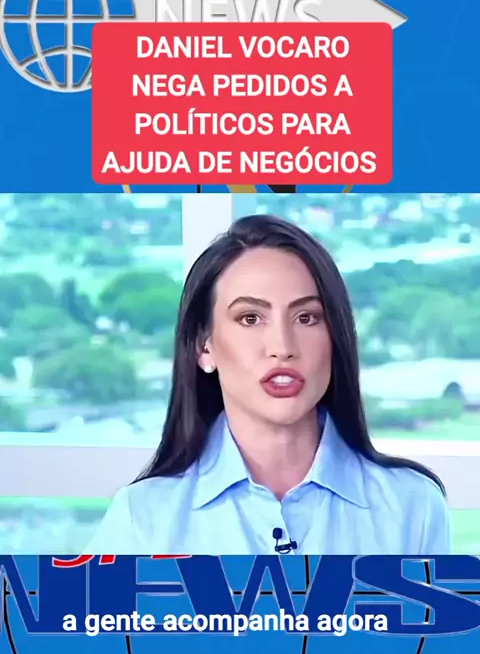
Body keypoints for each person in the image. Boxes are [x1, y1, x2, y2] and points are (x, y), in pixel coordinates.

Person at [87, 214, 451, 555]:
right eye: (250, 318)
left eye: (306, 317)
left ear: (335, 337)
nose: (282, 347)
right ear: (203, 347)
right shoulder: (143, 519)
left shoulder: (413, 507)